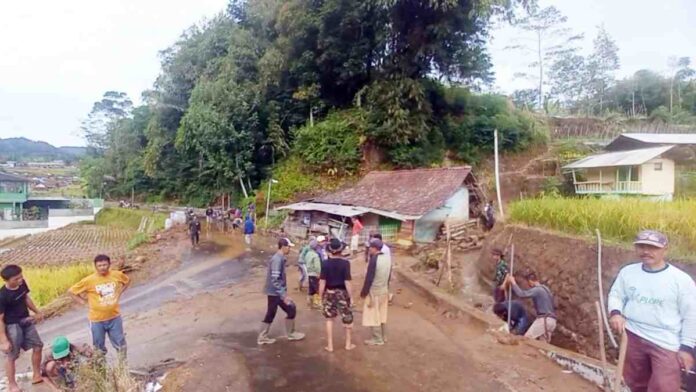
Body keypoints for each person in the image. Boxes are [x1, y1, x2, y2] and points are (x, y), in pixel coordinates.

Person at [608, 230, 696, 392]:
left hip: (666, 340)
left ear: (665, 250)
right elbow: (616, 295)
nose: (646, 252)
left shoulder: (681, 280)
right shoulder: (628, 272)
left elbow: (691, 316)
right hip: (633, 335)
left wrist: (687, 347)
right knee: (635, 382)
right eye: (641, 247)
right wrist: (616, 313)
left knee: (664, 386)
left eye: (652, 248)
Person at [69, 254, 130, 357]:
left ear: (109, 265)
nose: (103, 267)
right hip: (97, 320)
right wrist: (84, 302)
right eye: (100, 265)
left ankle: (122, 367)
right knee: (99, 348)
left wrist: (119, 292)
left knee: (120, 344)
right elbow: (71, 291)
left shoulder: (117, 275)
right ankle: (102, 369)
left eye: (105, 265)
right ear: (95, 266)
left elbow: (127, 281)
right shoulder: (89, 280)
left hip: (114, 317)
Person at [0, 264, 44, 391]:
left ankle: (37, 374)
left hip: (26, 320)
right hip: (12, 325)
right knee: (12, 355)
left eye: (21, 277)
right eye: (16, 279)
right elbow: (0, 319)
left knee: (38, 346)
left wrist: (37, 312)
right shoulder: (2, 296)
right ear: (7, 280)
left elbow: (26, 298)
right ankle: (12, 384)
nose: (20, 280)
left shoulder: (22, 284)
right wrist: (3, 340)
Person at [258, 238, 306, 345]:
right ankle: (263, 337)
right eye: (289, 247)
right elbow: (275, 279)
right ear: (283, 247)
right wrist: (284, 295)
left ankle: (290, 333)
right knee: (274, 312)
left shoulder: (280, 258)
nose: (289, 249)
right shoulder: (277, 259)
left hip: (276, 291)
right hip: (275, 292)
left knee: (290, 309)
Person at [320, 238, 354, 352]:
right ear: (341, 250)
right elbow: (347, 282)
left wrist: (320, 296)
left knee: (329, 319)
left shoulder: (325, 263)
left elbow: (322, 282)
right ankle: (348, 344)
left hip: (329, 293)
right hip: (342, 293)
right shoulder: (345, 263)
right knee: (347, 318)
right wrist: (351, 297)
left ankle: (330, 346)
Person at [505, 270, 556, 342]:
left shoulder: (537, 290)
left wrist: (513, 283)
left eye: (528, 283)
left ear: (530, 281)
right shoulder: (546, 289)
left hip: (544, 319)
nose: (529, 285)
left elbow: (522, 294)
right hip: (552, 321)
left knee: (527, 339)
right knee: (543, 346)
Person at [361, 238, 392, 346]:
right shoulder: (387, 258)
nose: (369, 249)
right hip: (384, 290)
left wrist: (364, 292)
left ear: (374, 248)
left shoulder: (374, 259)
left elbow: (369, 278)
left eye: (370, 247)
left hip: (374, 291)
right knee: (382, 314)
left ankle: (377, 339)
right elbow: (389, 275)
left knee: (373, 315)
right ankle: (384, 336)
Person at [305, 239, 322, 309]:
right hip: (315, 274)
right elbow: (317, 266)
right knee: (317, 289)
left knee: (311, 289)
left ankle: (309, 302)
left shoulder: (308, 254)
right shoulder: (315, 255)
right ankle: (317, 304)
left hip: (309, 273)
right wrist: (319, 273)